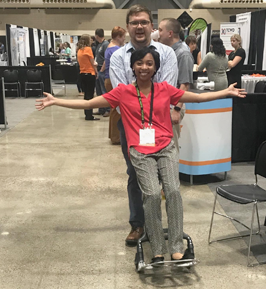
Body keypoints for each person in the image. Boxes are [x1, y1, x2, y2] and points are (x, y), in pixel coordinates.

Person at [36, 47, 246, 263]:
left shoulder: (165, 89)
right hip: (140, 151)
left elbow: (196, 98)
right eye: (139, 63)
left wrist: (225, 92)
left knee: (173, 191)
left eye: (149, 63)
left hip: (166, 147)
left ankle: (175, 246)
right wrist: (57, 101)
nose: (144, 67)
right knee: (153, 194)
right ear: (133, 66)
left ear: (155, 67)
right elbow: (90, 103)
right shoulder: (122, 92)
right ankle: (156, 247)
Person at [109, 4, 178, 247]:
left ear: (151, 26)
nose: (139, 26)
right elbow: (119, 97)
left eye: (144, 22)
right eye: (134, 22)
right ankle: (138, 224)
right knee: (135, 174)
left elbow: (168, 91)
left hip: (161, 126)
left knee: (167, 179)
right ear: (127, 27)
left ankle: (161, 224)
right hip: (131, 128)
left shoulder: (167, 54)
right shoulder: (119, 57)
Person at [158, 17, 194, 152]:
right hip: (165, 105)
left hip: (173, 106)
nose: (158, 33)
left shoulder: (183, 53)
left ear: (170, 33)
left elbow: (184, 84)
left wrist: (176, 110)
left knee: (171, 146)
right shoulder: (168, 51)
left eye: (161, 30)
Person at [104, 26, 126, 144]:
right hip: (113, 80)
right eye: (123, 37)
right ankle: (116, 137)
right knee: (118, 109)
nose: (124, 39)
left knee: (114, 109)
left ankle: (113, 135)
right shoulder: (116, 49)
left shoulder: (109, 47)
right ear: (118, 36)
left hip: (108, 79)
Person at [77, 34, 99, 121]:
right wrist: (96, 71)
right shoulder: (88, 49)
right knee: (90, 95)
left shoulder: (79, 50)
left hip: (82, 74)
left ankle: (87, 113)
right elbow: (93, 62)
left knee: (86, 95)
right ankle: (89, 115)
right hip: (90, 74)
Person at [93, 28, 110, 117]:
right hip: (98, 69)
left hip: (102, 70)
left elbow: (106, 59)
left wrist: (102, 70)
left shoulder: (105, 44)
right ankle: (101, 109)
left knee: (104, 91)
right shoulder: (99, 45)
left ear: (97, 35)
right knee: (99, 91)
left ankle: (108, 109)